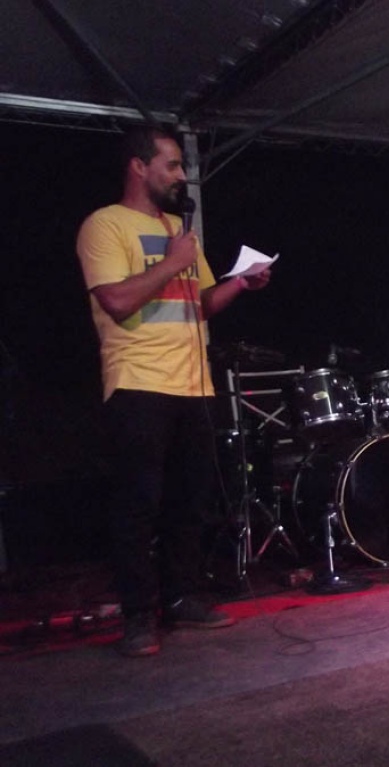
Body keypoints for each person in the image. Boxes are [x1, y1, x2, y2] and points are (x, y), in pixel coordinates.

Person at [76, 126, 271, 656]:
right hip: (138, 383)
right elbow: (116, 301)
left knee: (190, 502)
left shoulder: (178, 233)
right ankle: (138, 616)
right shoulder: (105, 225)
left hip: (193, 385)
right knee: (138, 505)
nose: (181, 175)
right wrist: (170, 263)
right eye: (171, 165)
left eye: (182, 166)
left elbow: (200, 305)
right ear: (139, 167)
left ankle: (181, 597)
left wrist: (240, 282)